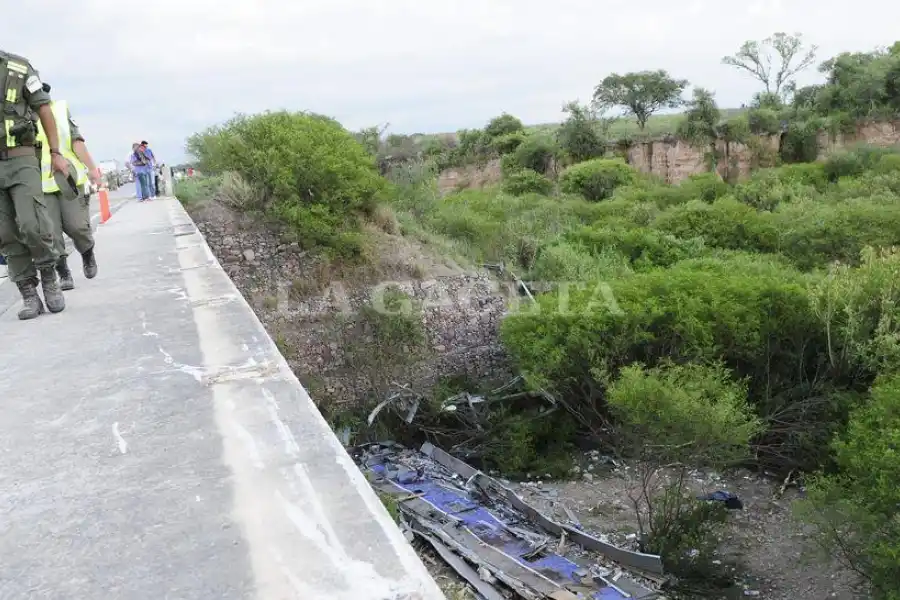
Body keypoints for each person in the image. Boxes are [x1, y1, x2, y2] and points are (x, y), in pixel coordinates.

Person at [0, 50, 69, 319]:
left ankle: (49, 276)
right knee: (4, 233)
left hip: (21, 158)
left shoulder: (18, 68)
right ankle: (28, 292)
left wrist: (55, 152)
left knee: (32, 224)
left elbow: (44, 109)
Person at [33, 91, 101, 290]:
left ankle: (87, 252)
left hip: (68, 179)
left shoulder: (60, 110)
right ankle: (63, 272)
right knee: (51, 233)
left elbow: (76, 142)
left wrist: (92, 170)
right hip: (41, 185)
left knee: (77, 227)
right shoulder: (23, 116)